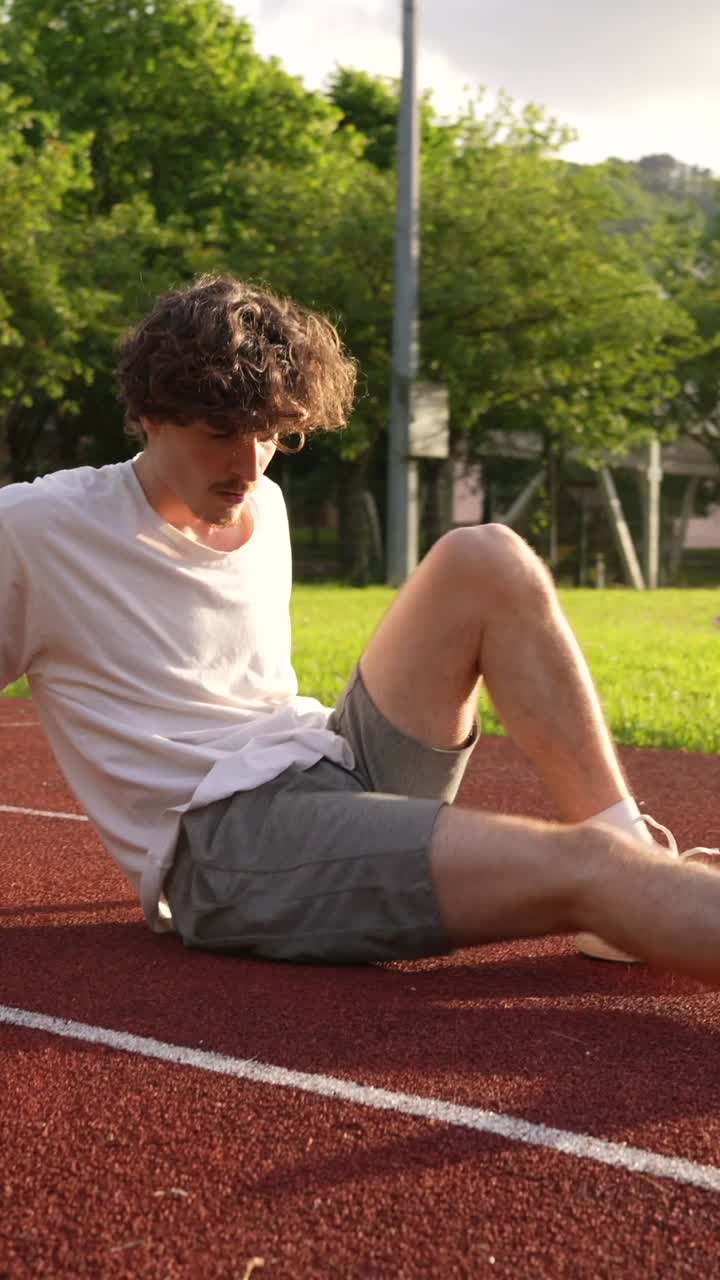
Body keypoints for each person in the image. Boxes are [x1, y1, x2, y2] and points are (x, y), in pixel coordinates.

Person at [1, 275, 717, 978]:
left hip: (328, 759)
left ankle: (621, 842)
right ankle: (626, 879)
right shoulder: (41, 528)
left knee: (486, 556)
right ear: (150, 414)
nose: (249, 464)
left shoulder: (265, 505)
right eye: (221, 434)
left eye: (273, 436)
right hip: (231, 843)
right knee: (596, 870)